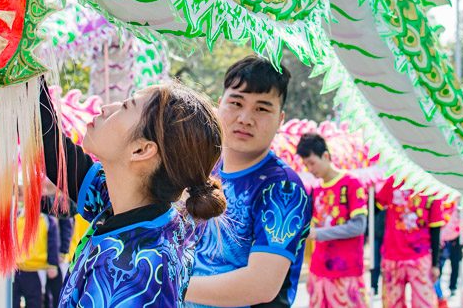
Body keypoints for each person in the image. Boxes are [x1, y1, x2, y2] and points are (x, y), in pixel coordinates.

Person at [40, 79, 227, 307]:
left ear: (141, 150)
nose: (106, 108)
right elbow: (58, 155)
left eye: (125, 106)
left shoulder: (131, 270)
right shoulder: (138, 208)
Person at [185, 56, 312, 308]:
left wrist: (170, 283)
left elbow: (260, 285)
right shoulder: (202, 167)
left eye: (262, 108)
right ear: (219, 105)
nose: (245, 118)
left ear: (281, 119)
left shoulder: (283, 188)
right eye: (236, 102)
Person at [297, 132, 369, 308]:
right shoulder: (315, 190)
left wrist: (319, 233)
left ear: (326, 156)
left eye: (312, 163)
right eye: (306, 165)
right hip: (319, 269)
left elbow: (359, 226)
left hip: (346, 270)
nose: (310, 169)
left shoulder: (352, 183)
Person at [377, 179, 446, 308]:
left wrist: (435, 264)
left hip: (420, 258)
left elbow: (435, 229)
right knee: (393, 304)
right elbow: (375, 206)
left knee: (424, 304)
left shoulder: (431, 186)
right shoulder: (394, 180)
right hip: (393, 256)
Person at [12, 189, 60, 308]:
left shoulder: (46, 218)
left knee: (35, 302)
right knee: (13, 302)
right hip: (18, 269)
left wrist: (53, 264)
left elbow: (53, 242)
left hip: (37, 269)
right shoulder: (18, 216)